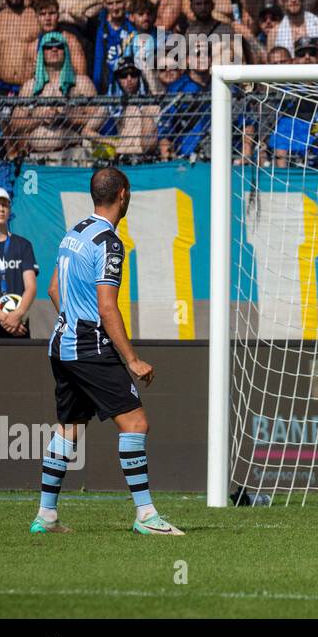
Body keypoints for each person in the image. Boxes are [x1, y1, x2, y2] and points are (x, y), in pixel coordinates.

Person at [34, 168, 182, 536]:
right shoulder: (109, 243)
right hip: (88, 347)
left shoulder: (74, 233)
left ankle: (46, 516)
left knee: (68, 428)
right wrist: (132, 359)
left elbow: (53, 289)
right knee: (135, 423)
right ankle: (146, 516)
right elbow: (107, 307)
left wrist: (72, 322)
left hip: (61, 342)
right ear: (123, 194)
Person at [0, 185, 36, 338]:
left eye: (4, 204)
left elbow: (31, 287)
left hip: (19, 325)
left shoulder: (23, 245)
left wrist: (17, 315)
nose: (1, 209)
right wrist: (5, 319)